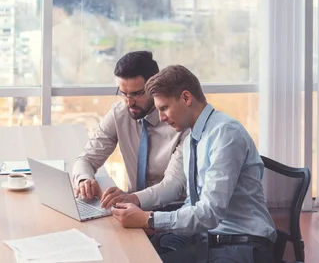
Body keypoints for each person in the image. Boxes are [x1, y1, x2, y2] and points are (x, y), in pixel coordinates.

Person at [111, 65, 276, 263]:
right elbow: (183, 194)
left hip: (241, 245)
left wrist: (150, 218)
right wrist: (140, 209)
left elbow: (209, 213)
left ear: (186, 98)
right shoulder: (192, 139)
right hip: (207, 240)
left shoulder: (225, 133)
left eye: (164, 108)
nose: (161, 117)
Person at [72, 51, 188, 208]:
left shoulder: (179, 122)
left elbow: (173, 186)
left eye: (137, 94)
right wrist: (84, 180)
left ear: (155, 87)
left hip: (172, 211)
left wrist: (131, 199)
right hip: (131, 209)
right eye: (123, 93)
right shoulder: (120, 113)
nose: (129, 102)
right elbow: (86, 159)